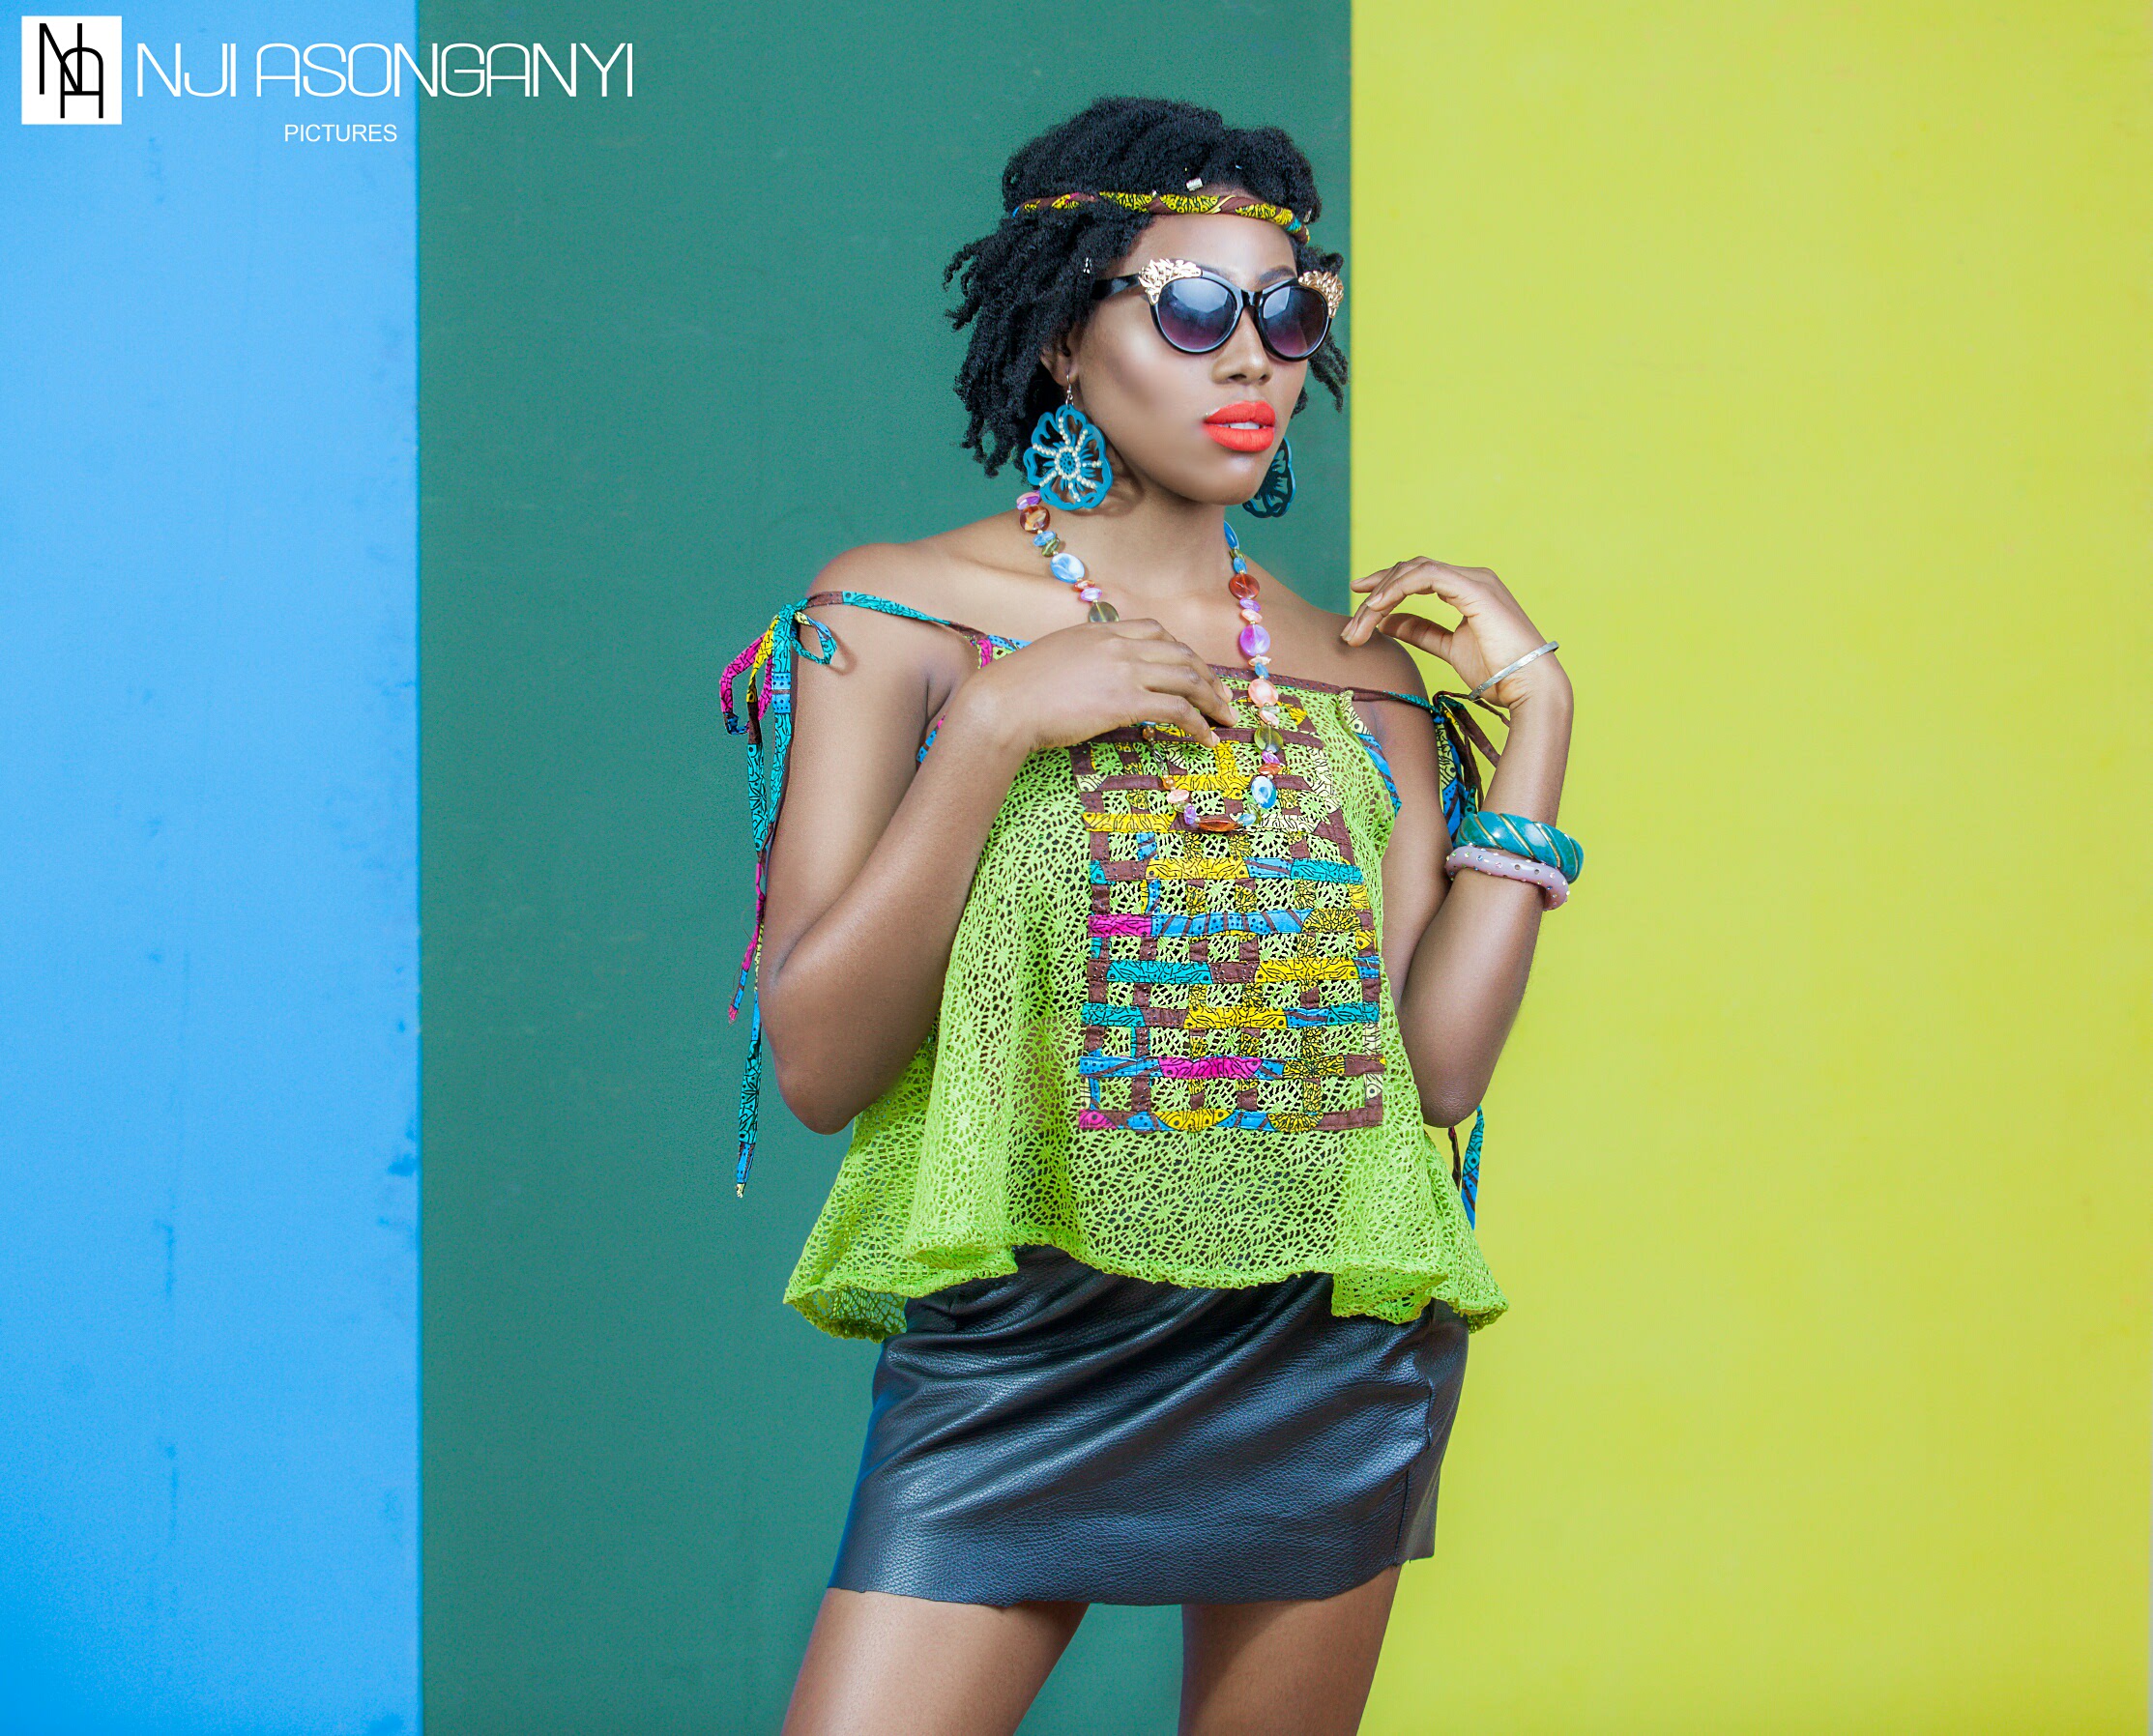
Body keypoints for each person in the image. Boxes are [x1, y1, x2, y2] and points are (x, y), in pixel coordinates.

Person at [718, 96, 1578, 1736]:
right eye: (1191, 307)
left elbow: (1436, 1076)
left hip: (1321, 1343)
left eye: (1290, 312)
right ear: (1063, 336)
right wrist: (994, 727)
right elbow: (819, 1064)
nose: (1251, 357)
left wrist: (1535, 727)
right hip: (1019, 1336)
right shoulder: (896, 616)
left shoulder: (1364, 680)